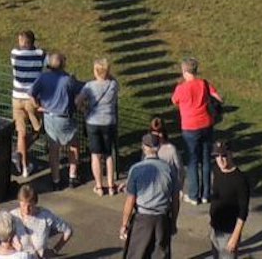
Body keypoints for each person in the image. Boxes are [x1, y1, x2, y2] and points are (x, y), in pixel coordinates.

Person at [169, 57, 220, 206]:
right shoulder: (203, 84)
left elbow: (174, 100)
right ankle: (206, 194)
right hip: (206, 124)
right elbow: (218, 97)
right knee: (205, 159)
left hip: (190, 127)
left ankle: (193, 194)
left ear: (184, 71)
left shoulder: (181, 88)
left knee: (192, 162)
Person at [121, 132, 179, 259]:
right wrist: (173, 222)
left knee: (136, 254)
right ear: (158, 147)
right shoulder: (169, 170)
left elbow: (130, 200)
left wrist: (124, 224)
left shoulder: (136, 169)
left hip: (142, 220)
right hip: (162, 220)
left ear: (144, 148)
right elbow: (175, 200)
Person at [31, 52, 83, 190]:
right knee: (74, 146)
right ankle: (72, 177)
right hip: (64, 119)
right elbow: (81, 89)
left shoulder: (43, 77)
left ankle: (56, 180)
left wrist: (38, 106)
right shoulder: (68, 80)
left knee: (54, 150)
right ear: (63, 64)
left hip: (49, 118)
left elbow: (31, 93)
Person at [79, 59, 121, 195]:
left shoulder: (89, 86)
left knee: (95, 155)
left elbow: (77, 100)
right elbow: (114, 80)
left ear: (95, 71)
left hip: (93, 122)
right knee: (108, 154)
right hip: (109, 122)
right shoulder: (113, 84)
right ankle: (110, 185)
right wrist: (108, 75)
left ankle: (98, 186)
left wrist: (84, 109)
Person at [10, 31, 47, 179]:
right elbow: (47, 59)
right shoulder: (40, 54)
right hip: (32, 99)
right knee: (39, 128)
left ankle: (23, 167)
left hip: (17, 98)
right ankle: (22, 150)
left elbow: (17, 49)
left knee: (21, 133)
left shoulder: (14, 54)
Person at [208, 142, 252, 257]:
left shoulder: (240, 180)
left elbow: (243, 212)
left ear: (230, 154)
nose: (220, 159)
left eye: (223, 155)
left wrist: (235, 237)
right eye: (216, 156)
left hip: (229, 233)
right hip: (215, 229)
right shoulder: (216, 171)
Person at [12, 184, 73, 256]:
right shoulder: (12, 217)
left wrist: (55, 250)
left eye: (30, 206)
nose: (26, 210)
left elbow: (68, 230)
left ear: (35, 203)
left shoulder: (45, 216)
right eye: (23, 205)